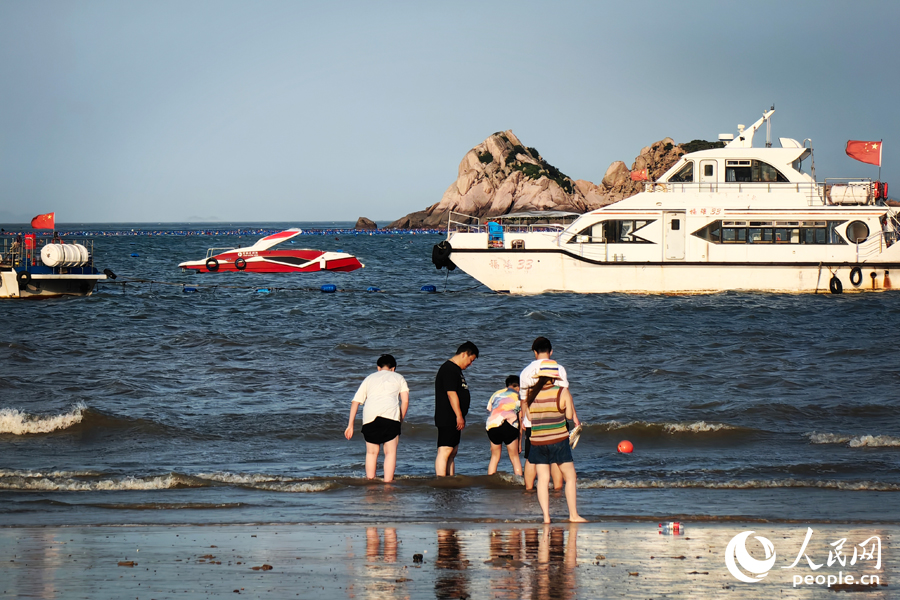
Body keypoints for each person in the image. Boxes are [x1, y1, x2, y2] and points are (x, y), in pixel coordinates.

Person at [523, 359, 586, 523]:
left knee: (542, 479)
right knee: (570, 477)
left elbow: (528, 417)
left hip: (537, 441)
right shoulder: (562, 392)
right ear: (554, 377)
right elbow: (569, 416)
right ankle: (573, 515)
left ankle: (546, 517)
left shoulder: (531, 393)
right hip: (558, 440)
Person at [519, 337, 579, 490]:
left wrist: (524, 421)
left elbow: (524, 400)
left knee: (531, 458)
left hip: (533, 420)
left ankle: (529, 490)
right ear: (551, 351)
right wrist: (576, 420)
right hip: (556, 418)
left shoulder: (525, 372)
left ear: (534, 352)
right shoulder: (558, 369)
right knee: (556, 459)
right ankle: (557, 491)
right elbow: (565, 395)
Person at [344, 354, 409, 483]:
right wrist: (399, 420)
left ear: (378, 367)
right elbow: (405, 401)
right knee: (390, 453)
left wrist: (350, 425)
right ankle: (388, 483)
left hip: (370, 419)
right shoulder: (399, 377)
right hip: (391, 418)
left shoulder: (369, 378)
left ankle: (370, 482)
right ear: (393, 368)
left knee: (371, 453)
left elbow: (355, 402)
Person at [434, 341, 479, 476]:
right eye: (470, 360)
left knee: (452, 452)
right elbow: (451, 393)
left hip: (454, 417)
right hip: (447, 416)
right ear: (464, 354)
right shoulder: (449, 369)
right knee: (445, 450)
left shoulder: (456, 370)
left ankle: (450, 479)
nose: (470, 364)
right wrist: (459, 415)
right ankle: (441, 481)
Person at [485, 375, 523, 476]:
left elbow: (489, 410)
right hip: (509, 424)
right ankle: (519, 480)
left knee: (494, 456)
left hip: (492, 425)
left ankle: (490, 481)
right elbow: (520, 419)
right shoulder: (519, 396)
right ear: (518, 386)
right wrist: (519, 443)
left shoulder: (495, 394)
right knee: (514, 457)